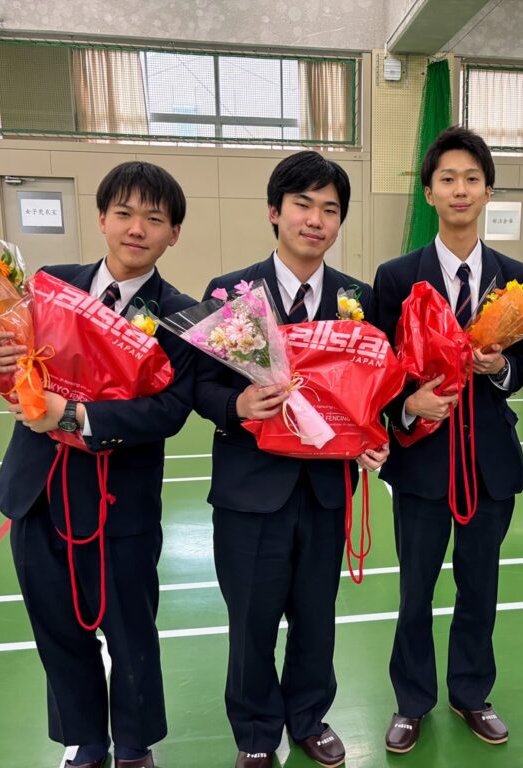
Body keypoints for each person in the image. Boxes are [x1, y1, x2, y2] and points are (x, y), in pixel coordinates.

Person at [0, 161, 196, 768]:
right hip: (38, 494)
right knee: (58, 629)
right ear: (101, 219)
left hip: (119, 502)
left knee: (131, 631)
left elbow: (170, 410)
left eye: (154, 219)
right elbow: (5, 363)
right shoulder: (49, 287)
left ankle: (135, 746)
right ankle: (85, 741)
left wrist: (74, 416)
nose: (136, 228)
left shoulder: (180, 315)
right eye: (124, 213)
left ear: (174, 233)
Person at [193, 151, 388, 768]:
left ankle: (308, 717)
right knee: (251, 619)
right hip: (252, 492)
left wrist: (374, 432)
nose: (315, 219)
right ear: (274, 212)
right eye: (303, 204)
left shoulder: (358, 298)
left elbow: (374, 387)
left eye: (330, 209)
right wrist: (237, 405)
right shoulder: (230, 293)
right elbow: (198, 385)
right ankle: (255, 732)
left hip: (325, 490)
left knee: (315, 616)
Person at [372, 126, 523, 753]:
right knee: (415, 591)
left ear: (488, 191)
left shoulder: (515, 280)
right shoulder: (396, 278)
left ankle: (471, 693)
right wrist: (406, 406)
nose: (460, 189)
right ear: (429, 193)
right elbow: (380, 373)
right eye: (448, 179)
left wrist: (500, 369)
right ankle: (411, 701)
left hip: (489, 466)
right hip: (422, 465)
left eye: (472, 178)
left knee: (480, 589)